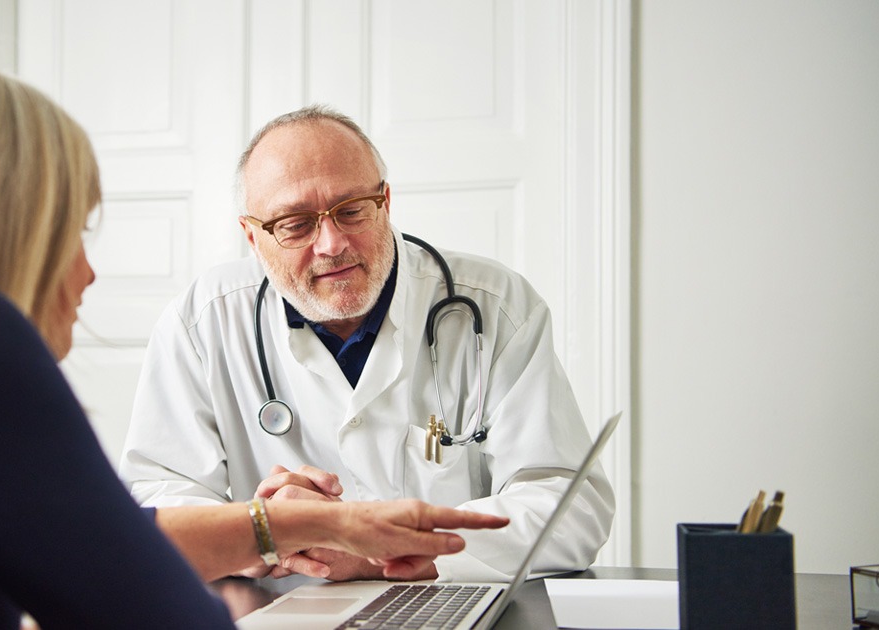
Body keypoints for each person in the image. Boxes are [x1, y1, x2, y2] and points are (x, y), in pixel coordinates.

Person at [0, 60, 508, 629]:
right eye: (73, 228)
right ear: (5, 226)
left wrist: (282, 529)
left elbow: (91, 537)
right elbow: (160, 612)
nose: (87, 273)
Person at [119, 105, 616, 583]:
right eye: (295, 224)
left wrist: (397, 546)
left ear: (386, 202)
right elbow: (155, 506)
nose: (332, 243)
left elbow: (571, 507)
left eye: (351, 210)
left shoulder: (497, 305)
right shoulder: (202, 322)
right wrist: (263, 532)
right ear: (252, 237)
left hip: (442, 606)